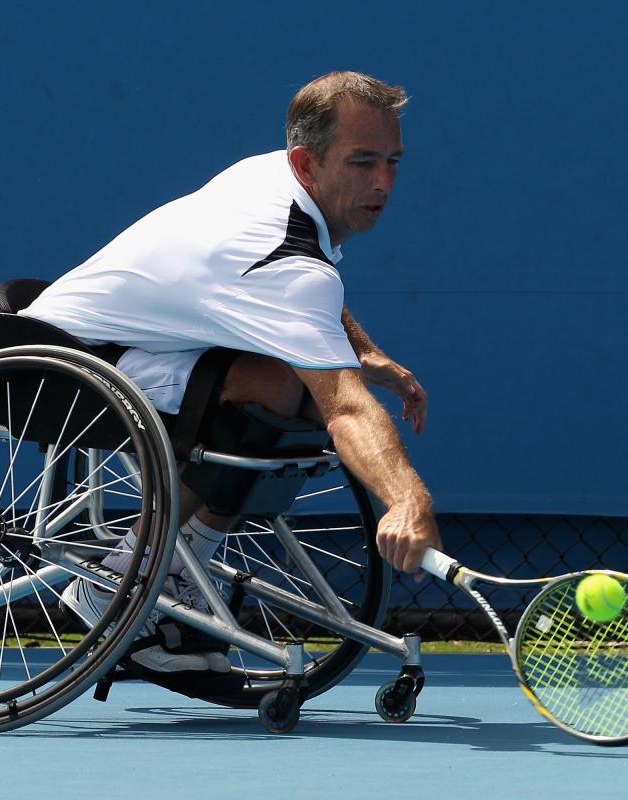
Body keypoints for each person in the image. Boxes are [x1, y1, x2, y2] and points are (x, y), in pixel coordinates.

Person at [22, 70, 441, 674]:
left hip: (126, 345)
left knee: (286, 382)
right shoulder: (283, 256)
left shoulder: (272, 175)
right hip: (63, 365)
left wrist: (366, 354)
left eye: (393, 161)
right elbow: (343, 400)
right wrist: (407, 499)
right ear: (306, 162)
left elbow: (302, 294)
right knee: (287, 389)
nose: (383, 182)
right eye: (363, 162)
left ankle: (177, 562)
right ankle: (121, 577)